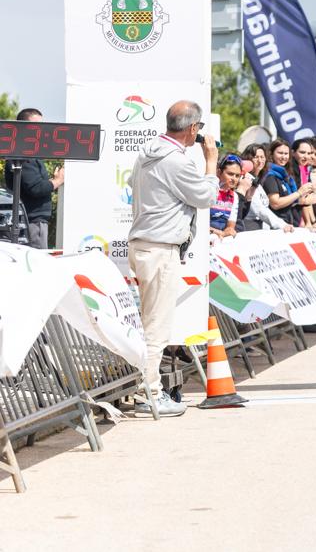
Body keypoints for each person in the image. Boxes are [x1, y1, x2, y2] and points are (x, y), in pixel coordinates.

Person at [127, 100, 219, 417]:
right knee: (157, 328)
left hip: (142, 244)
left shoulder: (147, 151)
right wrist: (211, 162)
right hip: (160, 248)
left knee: (148, 323)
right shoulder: (177, 162)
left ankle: (144, 389)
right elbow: (206, 196)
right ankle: (149, 394)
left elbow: (131, 185)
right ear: (193, 128)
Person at [2, 108, 63, 248]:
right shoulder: (22, 155)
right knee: (38, 266)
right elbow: (35, 188)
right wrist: (58, 180)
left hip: (34, 221)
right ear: (22, 128)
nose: (40, 131)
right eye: (35, 126)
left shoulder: (30, 153)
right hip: (32, 223)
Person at [260, 139, 316, 228]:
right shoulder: (270, 175)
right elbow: (275, 204)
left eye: (286, 154)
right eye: (280, 153)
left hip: (288, 224)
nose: (283, 157)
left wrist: (304, 200)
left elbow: (290, 201)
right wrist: (299, 193)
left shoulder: (285, 174)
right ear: (271, 154)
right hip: (275, 227)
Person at [235, 143, 292, 233]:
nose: (260, 160)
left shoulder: (258, 180)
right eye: (255, 157)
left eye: (262, 157)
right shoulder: (245, 179)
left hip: (262, 229)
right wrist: (282, 225)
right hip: (249, 229)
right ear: (248, 159)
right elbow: (259, 209)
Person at [209, 155, 242, 239]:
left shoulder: (234, 196)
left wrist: (229, 230)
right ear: (219, 172)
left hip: (219, 239)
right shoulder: (209, 190)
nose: (234, 179)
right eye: (230, 174)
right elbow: (199, 223)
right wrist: (218, 232)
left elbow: (230, 226)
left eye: (237, 175)